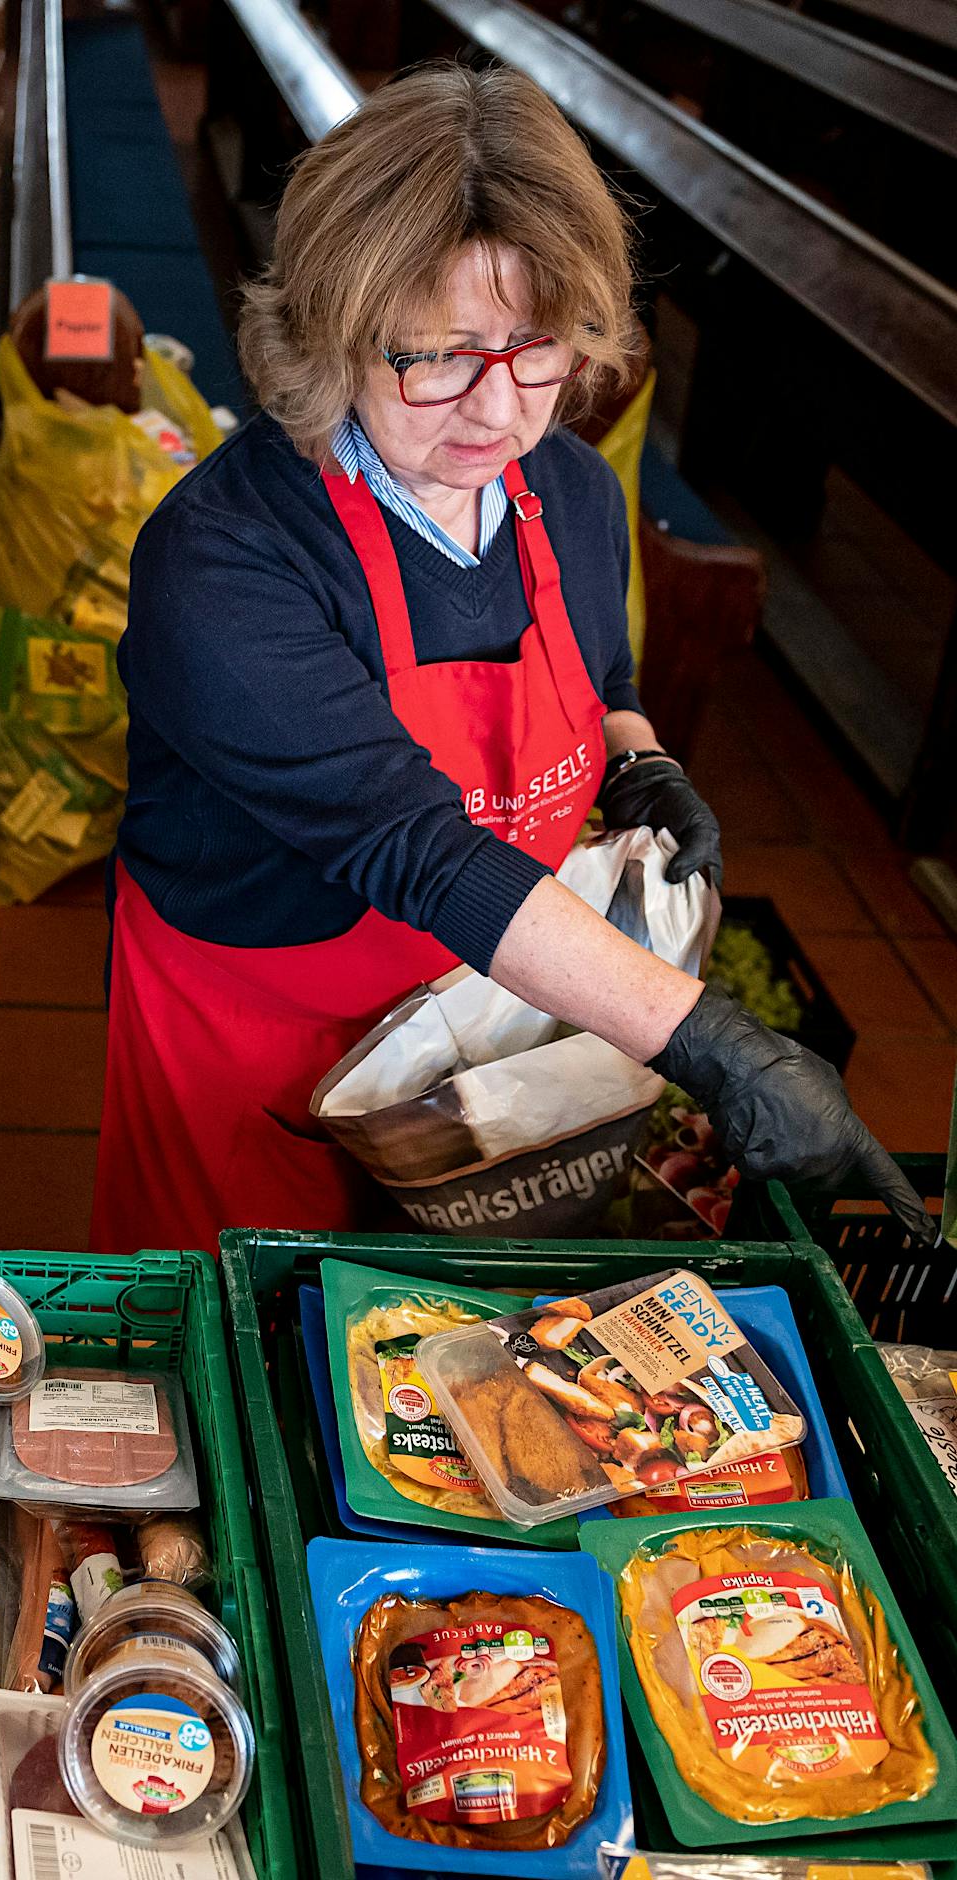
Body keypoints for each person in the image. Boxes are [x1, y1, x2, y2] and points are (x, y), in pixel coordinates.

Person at [90, 64, 933, 1254]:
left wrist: (637, 754)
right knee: (244, 1334)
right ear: (330, 333)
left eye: (535, 346)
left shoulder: (571, 495)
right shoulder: (225, 559)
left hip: (482, 1026)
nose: (495, 412)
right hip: (256, 1045)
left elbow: (600, 670)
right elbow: (413, 847)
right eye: (436, 356)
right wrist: (705, 1041)